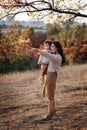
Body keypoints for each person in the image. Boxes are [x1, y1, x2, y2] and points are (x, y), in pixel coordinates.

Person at [31, 41, 65, 120]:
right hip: (50, 75)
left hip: (51, 75)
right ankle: (52, 110)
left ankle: (51, 112)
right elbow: (46, 56)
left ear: (57, 48)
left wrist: (37, 49)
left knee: (50, 95)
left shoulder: (57, 57)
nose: (51, 48)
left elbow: (47, 54)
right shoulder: (56, 55)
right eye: (51, 46)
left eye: (53, 46)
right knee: (50, 95)